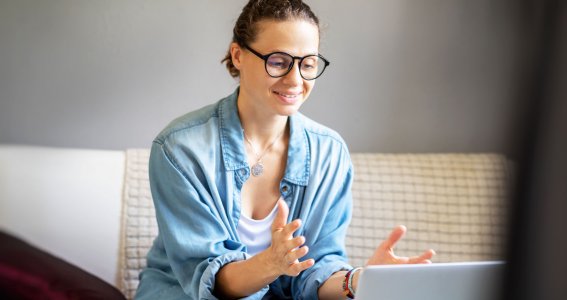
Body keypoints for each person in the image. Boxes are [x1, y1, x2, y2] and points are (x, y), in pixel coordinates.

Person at [135, 0, 435, 299]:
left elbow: (315, 268)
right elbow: (208, 279)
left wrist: (359, 282)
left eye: (308, 64)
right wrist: (271, 263)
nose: (295, 80)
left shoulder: (329, 154)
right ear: (238, 55)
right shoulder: (181, 149)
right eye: (278, 61)